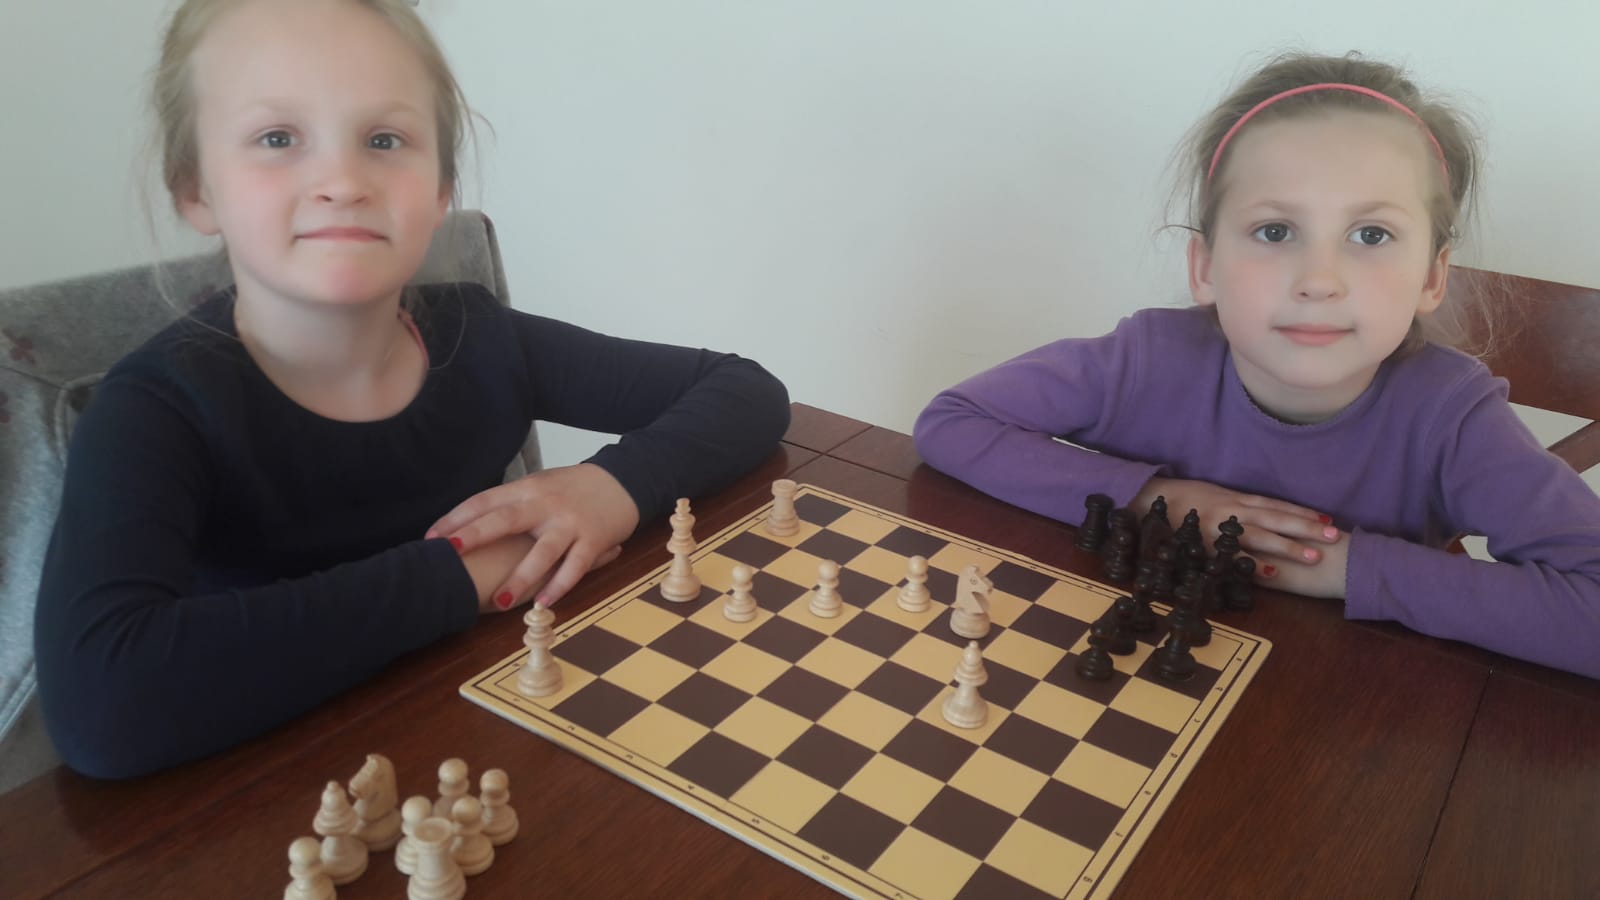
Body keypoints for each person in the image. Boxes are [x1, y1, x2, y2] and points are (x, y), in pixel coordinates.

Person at [34, 0, 790, 779]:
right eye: (277, 138)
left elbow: (746, 393)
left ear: (438, 191)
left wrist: (611, 486)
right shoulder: (152, 410)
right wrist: (466, 573)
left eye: (384, 140)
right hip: (269, 789)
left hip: (490, 740)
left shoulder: (482, 337)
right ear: (196, 189)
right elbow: (103, 706)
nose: (342, 181)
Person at [914, 52, 1600, 680]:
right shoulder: (1147, 360)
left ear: (1432, 276)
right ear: (1205, 266)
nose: (1319, 279)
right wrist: (1156, 501)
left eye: (1371, 234)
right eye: (1275, 231)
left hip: (1350, 720)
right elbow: (953, 421)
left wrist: (1344, 568)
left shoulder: (1453, 418)